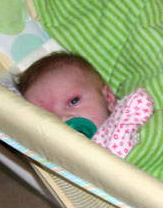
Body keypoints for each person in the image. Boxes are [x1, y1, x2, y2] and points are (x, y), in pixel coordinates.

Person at [16, 52, 154, 158]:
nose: (63, 119)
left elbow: (141, 101)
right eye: (48, 116)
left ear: (109, 98)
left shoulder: (121, 119)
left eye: (73, 101)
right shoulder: (66, 158)